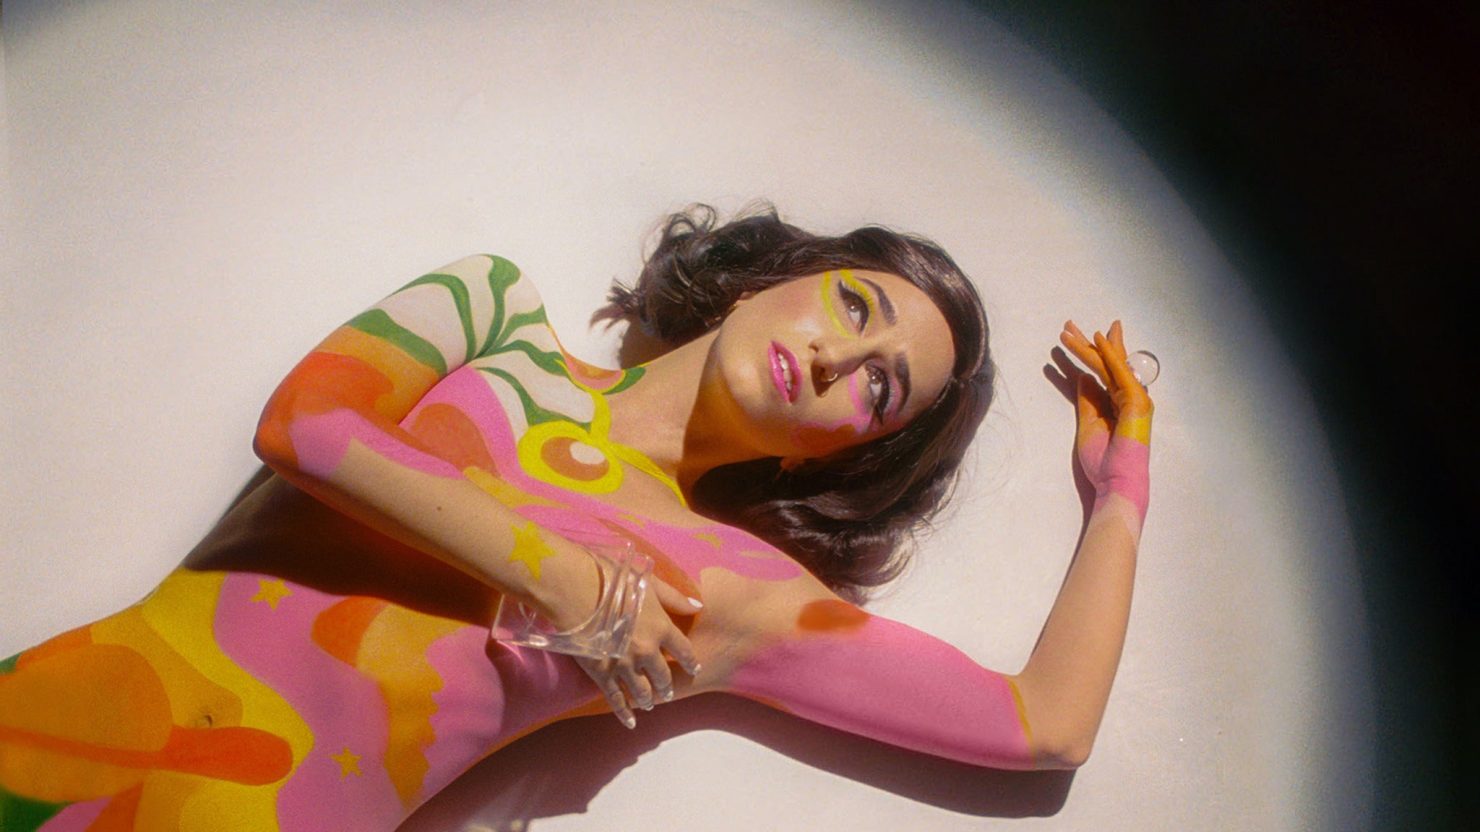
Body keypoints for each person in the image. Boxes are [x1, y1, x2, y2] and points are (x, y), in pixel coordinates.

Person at [0, 205, 1152, 831]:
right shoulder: (492, 312)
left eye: (879, 388)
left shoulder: (729, 590)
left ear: (843, 450)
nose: (837, 357)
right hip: (49, 718)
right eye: (854, 306)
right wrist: (565, 578)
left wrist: (1119, 493)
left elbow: (1043, 724)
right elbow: (304, 426)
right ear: (777, 277)